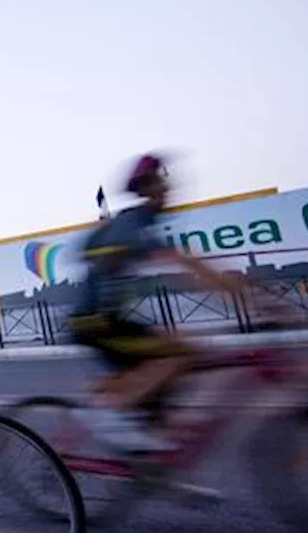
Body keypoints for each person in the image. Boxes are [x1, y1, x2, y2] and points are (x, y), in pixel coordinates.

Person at [69, 154, 247, 453]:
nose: (168, 191)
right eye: (161, 185)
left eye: (167, 184)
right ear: (146, 188)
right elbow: (185, 264)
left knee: (183, 349)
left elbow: (183, 265)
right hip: (95, 322)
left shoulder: (141, 222)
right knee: (178, 356)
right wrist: (247, 296)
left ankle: (148, 443)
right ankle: (108, 414)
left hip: (109, 319)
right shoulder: (133, 223)